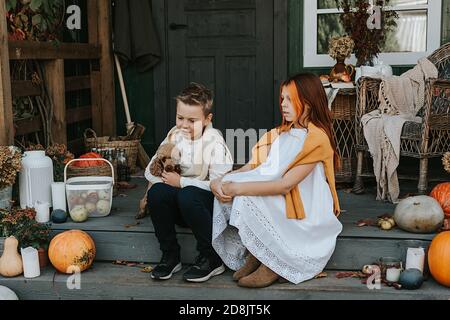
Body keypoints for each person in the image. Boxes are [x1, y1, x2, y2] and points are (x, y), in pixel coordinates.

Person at [211, 73, 343, 288]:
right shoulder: (281, 134)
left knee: (246, 196)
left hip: (304, 206)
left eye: (290, 99)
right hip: (283, 196)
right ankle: (259, 251)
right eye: (282, 98)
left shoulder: (316, 138)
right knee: (231, 192)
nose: (284, 104)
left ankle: (274, 263)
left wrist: (238, 188)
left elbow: (286, 184)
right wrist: (221, 180)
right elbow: (251, 167)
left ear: (308, 103)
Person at [145, 83, 233, 282]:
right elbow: (150, 171)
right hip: (180, 209)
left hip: (206, 208)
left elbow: (221, 186)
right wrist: (165, 175)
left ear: (207, 119)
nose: (184, 125)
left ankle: (211, 257)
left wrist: (182, 182)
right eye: (180, 118)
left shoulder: (215, 144)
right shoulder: (174, 136)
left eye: (192, 120)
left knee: (188, 193)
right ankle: (170, 254)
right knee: (157, 192)